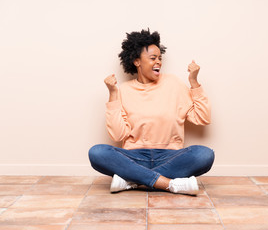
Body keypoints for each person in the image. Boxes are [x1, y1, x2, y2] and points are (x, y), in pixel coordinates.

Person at [88, 29, 214, 195]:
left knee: (204, 155)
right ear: (137, 61)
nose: (159, 62)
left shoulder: (174, 84)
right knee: (97, 152)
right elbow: (117, 136)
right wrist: (112, 94)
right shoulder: (123, 90)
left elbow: (202, 118)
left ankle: (133, 181)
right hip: (133, 157)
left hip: (170, 157)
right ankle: (169, 184)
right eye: (153, 58)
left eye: (160, 58)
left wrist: (194, 82)